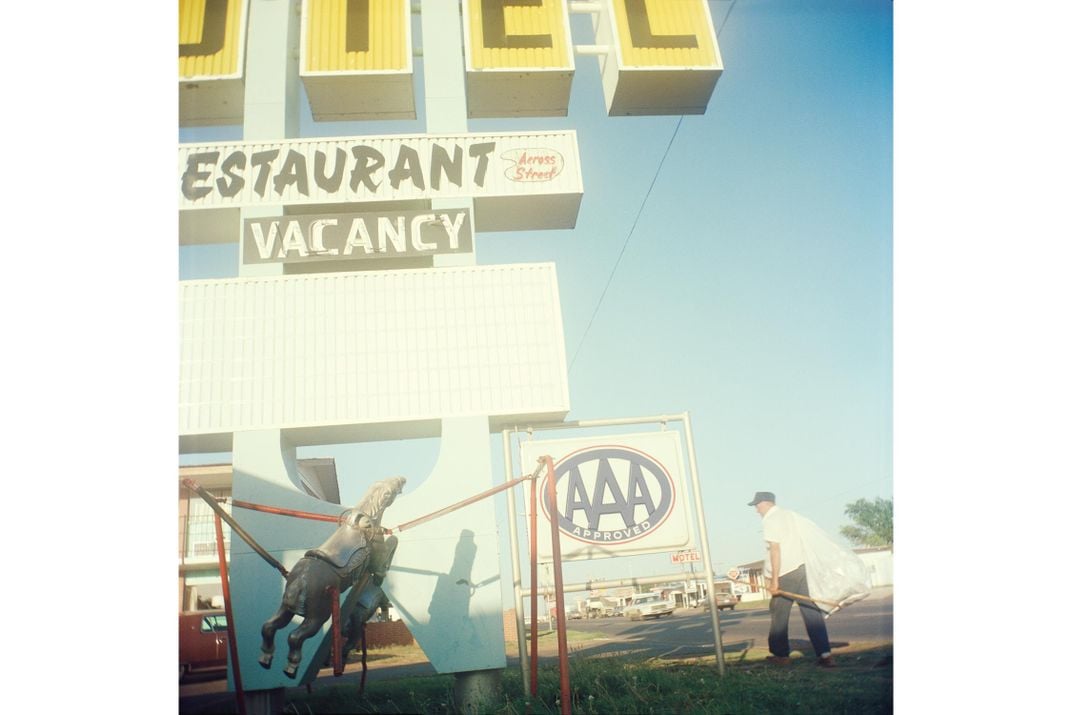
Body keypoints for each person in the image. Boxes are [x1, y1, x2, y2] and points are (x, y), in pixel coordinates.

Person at [748, 491, 836, 668]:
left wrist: (774, 581)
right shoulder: (790, 515)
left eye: (757, 505)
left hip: (785, 573)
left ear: (765, 503)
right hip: (801, 570)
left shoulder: (770, 520)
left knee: (779, 615)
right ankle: (825, 654)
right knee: (812, 612)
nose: (756, 510)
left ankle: (781, 655)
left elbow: (775, 550)